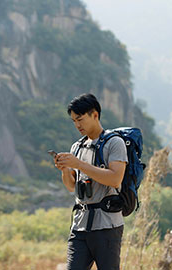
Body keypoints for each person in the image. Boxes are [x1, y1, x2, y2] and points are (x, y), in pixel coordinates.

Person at [54, 93, 128, 270]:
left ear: (95, 115)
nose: (77, 125)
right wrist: (65, 169)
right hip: (79, 226)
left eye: (80, 119)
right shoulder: (77, 147)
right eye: (73, 121)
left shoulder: (114, 143)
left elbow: (115, 178)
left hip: (107, 226)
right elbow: (71, 186)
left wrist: (79, 164)